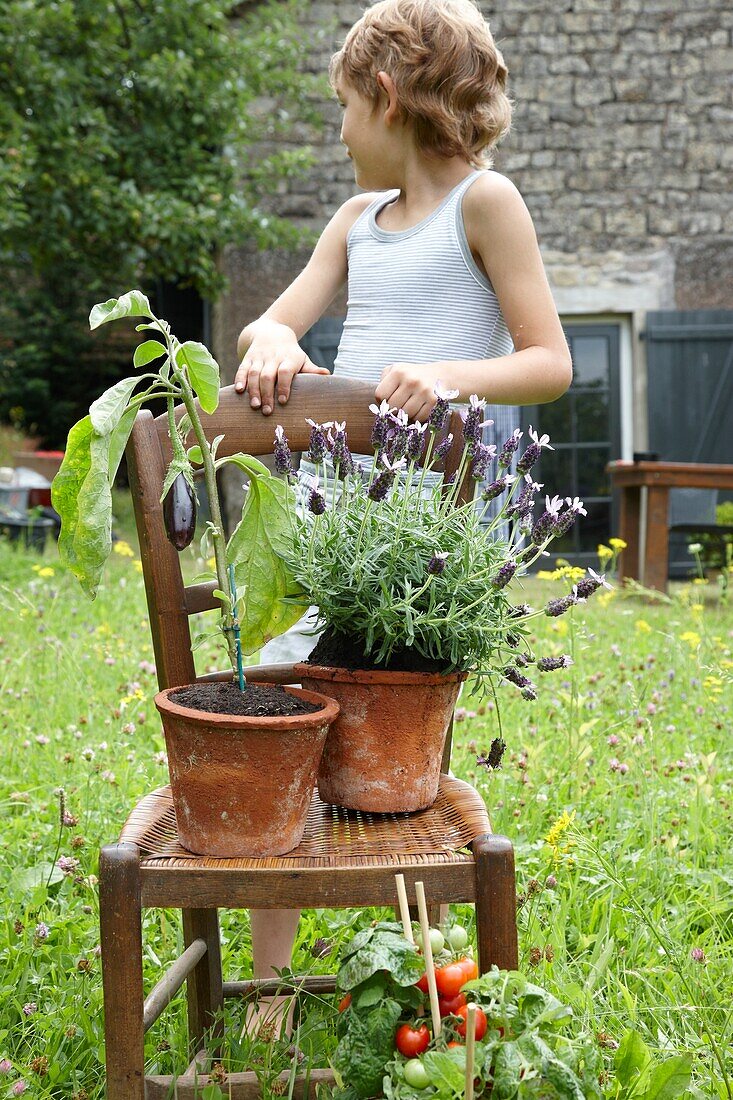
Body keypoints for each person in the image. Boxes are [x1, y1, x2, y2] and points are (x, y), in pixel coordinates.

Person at [234, 0, 572, 1036]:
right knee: (281, 731)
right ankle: (272, 990)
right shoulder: (351, 225)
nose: (337, 132)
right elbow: (272, 318)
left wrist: (445, 374)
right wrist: (269, 344)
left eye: (341, 107)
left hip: (419, 548)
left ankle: (417, 973)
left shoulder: (486, 202)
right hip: (332, 530)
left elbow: (547, 360)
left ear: (384, 96)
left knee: (390, 762)